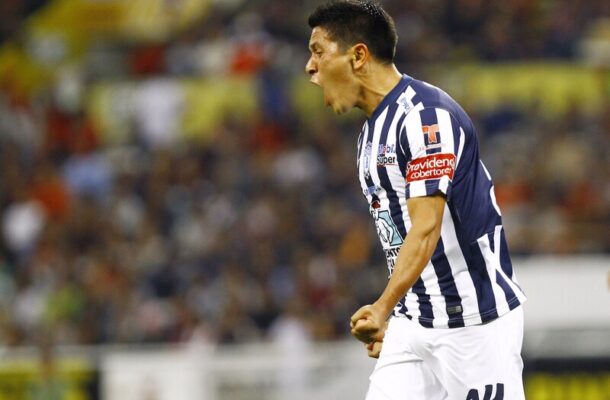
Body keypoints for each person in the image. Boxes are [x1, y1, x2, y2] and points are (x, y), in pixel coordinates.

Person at [305, 1, 527, 399]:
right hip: (413, 325)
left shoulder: (426, 118)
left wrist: (383, 305)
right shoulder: (370, 136)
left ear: (358, 56)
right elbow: (401, 237)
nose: (310, 67)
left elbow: (426, 229)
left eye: (319, 51)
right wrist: (396, 313)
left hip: (474, 322)